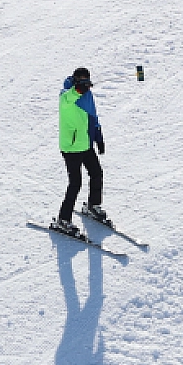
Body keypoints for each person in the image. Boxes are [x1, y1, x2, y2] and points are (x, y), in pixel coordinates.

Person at [52, 67, 106, 237]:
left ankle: (93, 206)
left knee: (97, 173)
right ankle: (63, 219)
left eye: (86, 81)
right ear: (75, 81)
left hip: (86, 145)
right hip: (71, 148)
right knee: (75, 183)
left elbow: (93, 116)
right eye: (80, 81)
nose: (84, 85)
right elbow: (68, 98)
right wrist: (78, 89)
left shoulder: (88, 96)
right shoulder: (66, 95)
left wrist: (98, 135)